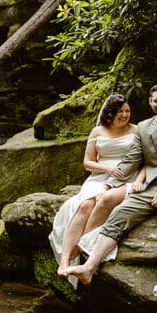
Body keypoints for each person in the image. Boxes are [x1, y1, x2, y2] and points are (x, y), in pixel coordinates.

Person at [59, 83, 157, 304]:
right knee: (120, 213)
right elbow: (131, 160)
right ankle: (88, 268)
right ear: (150, 102)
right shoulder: (145, 128)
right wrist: (108, 185)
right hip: (151, 186)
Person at [48, 93, 147, 284]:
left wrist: (139, 180)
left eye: (127, 111)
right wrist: (107, 168)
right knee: (85, 204)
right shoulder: (97, 132)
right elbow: (87, 163)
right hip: (100, 176)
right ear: (110, 113)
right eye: (120, 112)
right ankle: (65, 259)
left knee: (103, 200)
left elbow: (146, 160)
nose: (125, 115)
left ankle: (78, 250)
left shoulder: (137, 131)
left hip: (128, 176)